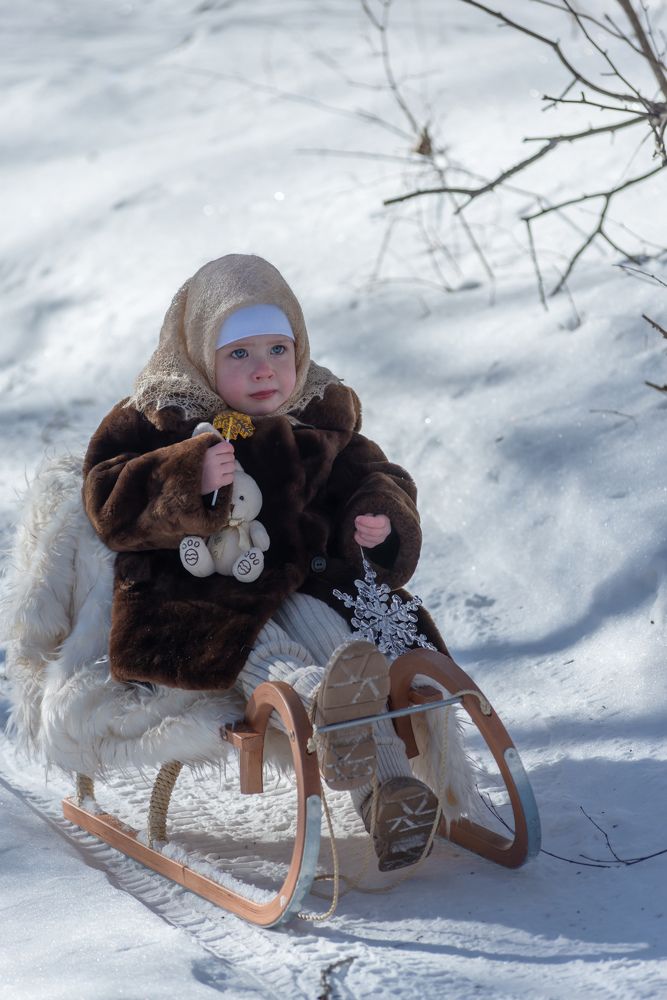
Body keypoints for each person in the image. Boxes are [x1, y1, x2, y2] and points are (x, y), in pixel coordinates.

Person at [82, 253, 450, 871]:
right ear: (202, 353)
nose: (264, 371)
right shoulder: (155, 416)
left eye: (278, 350)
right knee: (263, 651)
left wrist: (377, 516)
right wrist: (184, 476)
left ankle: (389, 796)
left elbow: (376, 474)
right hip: (195, 598)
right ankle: (314, 700)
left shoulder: (322, 413)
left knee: (336, 639)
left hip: (304, 584)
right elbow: (107, 500)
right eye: (240, 355)